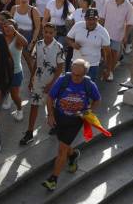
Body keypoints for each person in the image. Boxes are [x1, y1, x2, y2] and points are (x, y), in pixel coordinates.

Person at [42, 59, 101, 192]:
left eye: (78, 75)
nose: (74, 77)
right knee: (64, 144)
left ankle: (53, 179)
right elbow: (50, 97)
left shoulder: (89, 84)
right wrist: (50, 115)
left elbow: (97, 99)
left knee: (62, 149)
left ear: (85, 74)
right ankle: (73, 155)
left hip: (75, 121)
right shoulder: (63, 80)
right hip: (59, 117)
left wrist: (89, 112)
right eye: (73, 73)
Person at [23, 23, 66, 145]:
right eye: (46, 32)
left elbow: (60, 67)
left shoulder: (59, 47)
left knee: (51, 106)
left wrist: (52, 84)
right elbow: (36, 61)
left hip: (52, 81)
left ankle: (55, 125)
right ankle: (30, 132)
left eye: (50, 32)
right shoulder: (39, 44)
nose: (48, 34)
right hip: (38, 79)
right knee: (34, 105)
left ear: (55, 33)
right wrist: (32, 78)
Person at [66, 9, 111, 83]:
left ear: (98, 19)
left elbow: (108, 53)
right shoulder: (78, 25)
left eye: (94, 19)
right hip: (75, 64)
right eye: (89, 19)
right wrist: (73, 44)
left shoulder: (103, 32)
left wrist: (107, 69)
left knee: (88, 90)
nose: (91, 21)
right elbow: (68, 38)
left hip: (92, 66)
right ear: (85, 18)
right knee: (70, 87)